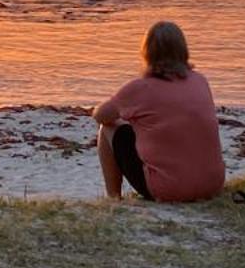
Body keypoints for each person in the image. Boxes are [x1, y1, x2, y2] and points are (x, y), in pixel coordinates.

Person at [92, 20, 226, 202]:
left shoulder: (141, 88)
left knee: (108, 128)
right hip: (212, 186)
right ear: (182, 50)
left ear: (147, 52)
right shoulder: (200, 80)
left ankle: (113, 198)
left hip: (169, 190)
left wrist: (114, 106)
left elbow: (100, 116)